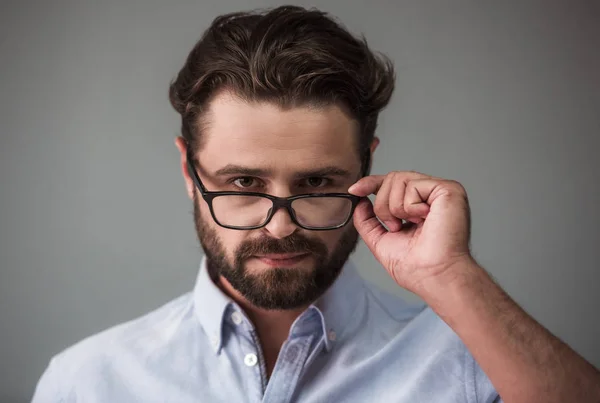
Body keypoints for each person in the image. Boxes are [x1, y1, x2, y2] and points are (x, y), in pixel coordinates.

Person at [32, 5, 600, 403]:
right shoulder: (86, 382)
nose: (280, 230)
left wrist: (451, 274)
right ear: (189, 170)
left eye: (315, 184)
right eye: (245, 185)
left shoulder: (475, 365)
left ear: (365, 171)